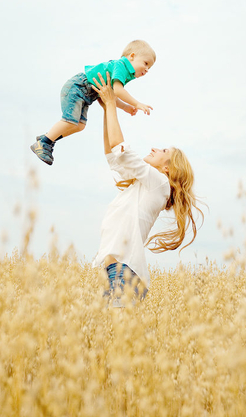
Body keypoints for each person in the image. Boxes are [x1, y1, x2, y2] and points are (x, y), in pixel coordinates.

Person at [89, 71, 204, 306]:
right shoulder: (143, 185)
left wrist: (112, 104)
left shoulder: (160, 184)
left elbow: (120, 148)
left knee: (116, 326)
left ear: (168, 169)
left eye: (163, 151)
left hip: (124, 274)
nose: (154, 149)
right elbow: (113, 155)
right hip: (117, 272)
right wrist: (106, 109)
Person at [30, 40, 156, 165]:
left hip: (85, 95)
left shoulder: (123, 73)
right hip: (77, 88)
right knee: (69, 121)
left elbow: (111, 95)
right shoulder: (121, 66)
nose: (146, 69)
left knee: (80, 125)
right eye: (145, 63)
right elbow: (118, 90)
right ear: (132, 56)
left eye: (149, 68)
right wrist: (137, 104)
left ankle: (47, 138)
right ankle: (44, 143)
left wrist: (125, 107)